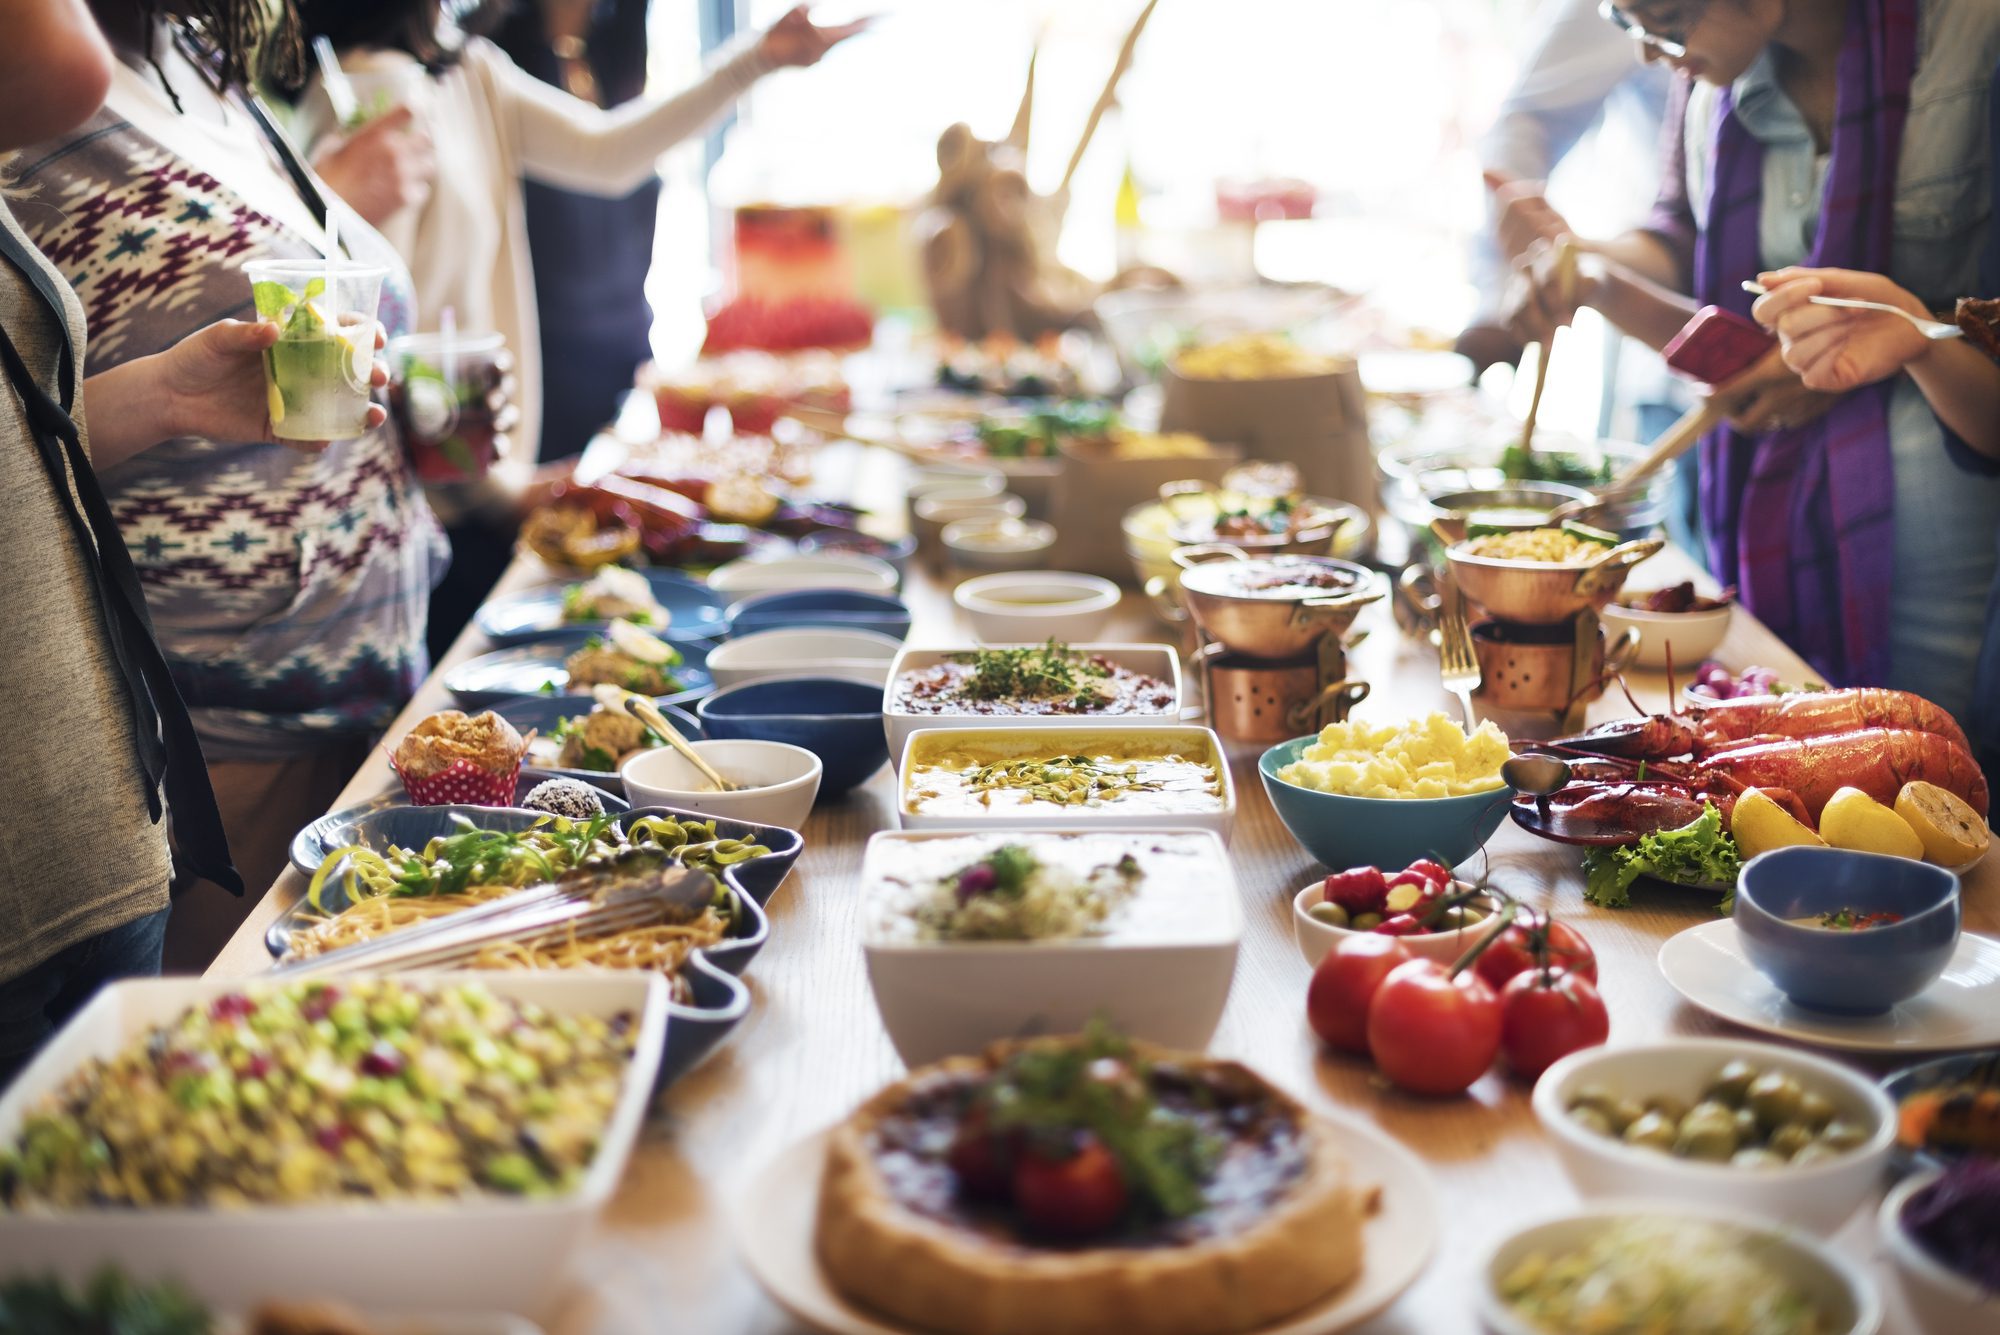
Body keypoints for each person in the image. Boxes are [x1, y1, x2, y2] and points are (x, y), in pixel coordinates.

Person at [8, 0, 445, 971]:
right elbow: (21, 420)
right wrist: (162, 395)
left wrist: (433, 421)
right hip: (225, 724)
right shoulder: (33, 96)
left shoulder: (211, 74)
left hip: (374, 693)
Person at [295, 1, 861, 657]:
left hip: (467, 490)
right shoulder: (369, 93)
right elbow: (360, 334)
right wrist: (499, 489)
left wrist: (757, 59)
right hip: (421, 509)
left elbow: (608, 153)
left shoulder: (465, 69)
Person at [1499, 0, 2000, 725]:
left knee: (1927, 788)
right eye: (1630, 24)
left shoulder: (1974, 39)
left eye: (1666, 21)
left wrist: (1909, 330)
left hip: (1932, 547)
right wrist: (1588, 271)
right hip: (1767, 508)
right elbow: (1682, 238)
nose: (1648, 55)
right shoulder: (1713, 80)